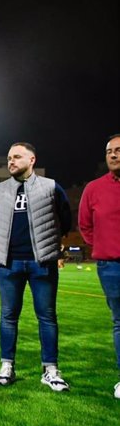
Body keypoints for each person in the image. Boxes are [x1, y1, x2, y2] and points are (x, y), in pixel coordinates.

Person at [0, 142, 71, 391]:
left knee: (47, 317)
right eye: (9, 157)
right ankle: (7, 366)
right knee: (8, 317)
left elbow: (65, 218)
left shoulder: (51, 187)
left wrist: (53, 245)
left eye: (17, 157)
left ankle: (51, 369)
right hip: (9, 263)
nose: (11, 161)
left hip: (41, 262)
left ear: (32, 160)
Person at [78, 133, 120, 398]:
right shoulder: (94, 188)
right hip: (111, 266)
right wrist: (106, 247)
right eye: (109, 151)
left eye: (118, 150)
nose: (114, 154)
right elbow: (85, 225)